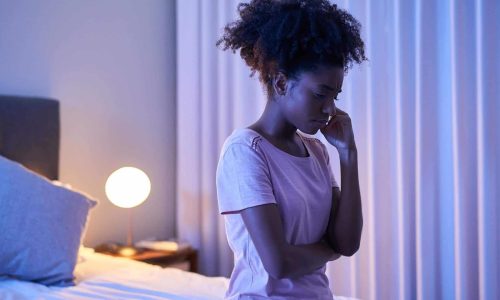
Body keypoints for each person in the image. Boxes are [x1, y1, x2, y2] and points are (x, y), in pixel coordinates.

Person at [216, 0, 366, 298]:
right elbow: (279, 263)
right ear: (282, 83)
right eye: (320, 94)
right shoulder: (245, 151)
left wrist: (348, 155)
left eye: (334, 96)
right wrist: (329, 249)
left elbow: (347, 243)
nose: (329, 109)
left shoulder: (317, 151)